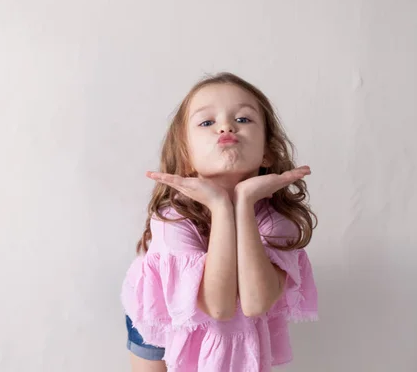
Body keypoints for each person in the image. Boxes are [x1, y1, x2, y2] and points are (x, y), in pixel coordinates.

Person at [120, 72, 318, 372]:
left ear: (266, 151)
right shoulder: (172, 217)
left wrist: (244, 203)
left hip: (235, 326)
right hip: (164, 315)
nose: (226, 126)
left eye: (243, 119)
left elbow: (254, 303)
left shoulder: (277, 221)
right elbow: (217, 306)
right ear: (186, 156)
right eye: (206, 122)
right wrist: (219, 206)